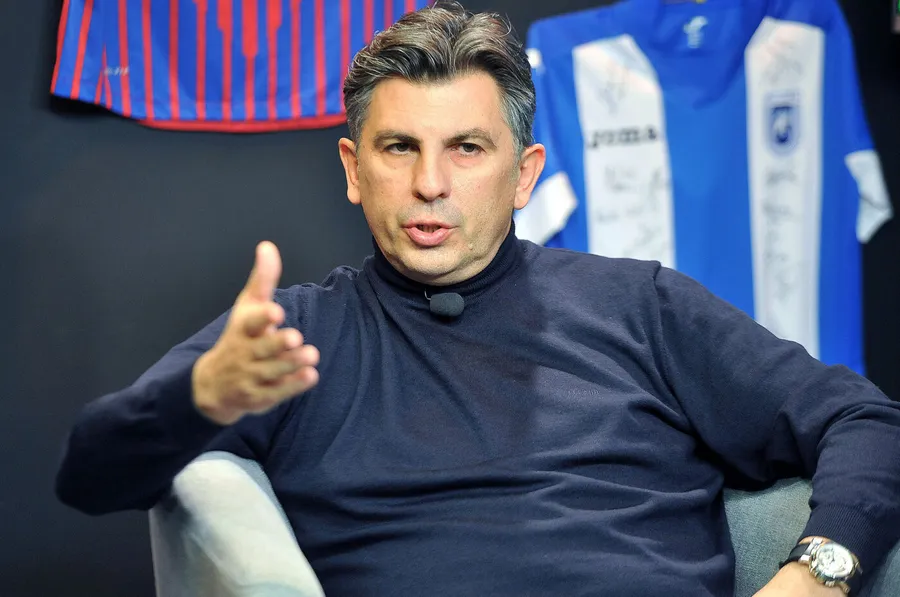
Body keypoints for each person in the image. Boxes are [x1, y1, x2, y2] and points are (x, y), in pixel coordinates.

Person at [55, 3, 900, 596]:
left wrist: (815, 574)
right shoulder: (297, 336)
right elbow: (90, 475)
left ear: (524, 174)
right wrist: (198, 396)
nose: (430, 183)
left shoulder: (640, 306)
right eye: (399, 147)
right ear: (353, 169)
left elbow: (866, 420)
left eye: (466, 148)